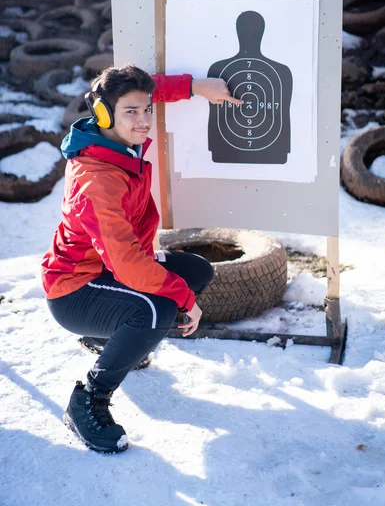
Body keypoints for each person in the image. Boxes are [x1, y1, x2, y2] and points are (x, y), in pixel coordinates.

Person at [41, 65, 243, 454]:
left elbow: (141, 92)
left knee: (196, 270)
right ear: (104, 114)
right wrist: (183, 298)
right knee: (155, 310)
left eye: (147, 110)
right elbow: (130, 265)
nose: (144, 120)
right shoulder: (97, 177)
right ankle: (89, 400)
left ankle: (107, 340)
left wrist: (195, 88)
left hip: (107, 269)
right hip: (75, 289)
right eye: (131, 113)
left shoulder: (114, 141)